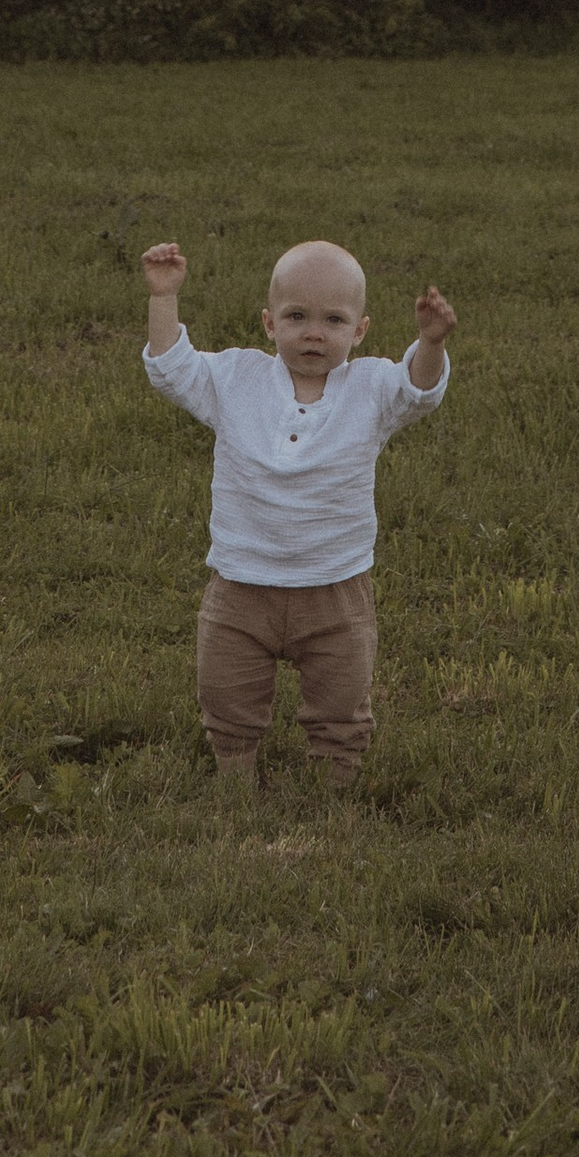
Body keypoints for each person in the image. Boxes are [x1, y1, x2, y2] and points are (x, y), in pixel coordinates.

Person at [140, 234, 456, 786]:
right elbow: (173, 369)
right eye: (296, 316)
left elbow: (418, 391)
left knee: (341, 695)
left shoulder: (373, 387)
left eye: (334, 320)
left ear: (359, 330)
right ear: (268, 323)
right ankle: (234, 773)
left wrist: (429, 344)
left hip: (335, 586)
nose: (314, 332)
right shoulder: (236, 380)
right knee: (227, 691)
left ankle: (335, 781)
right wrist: (163, 297)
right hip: (241, 582)